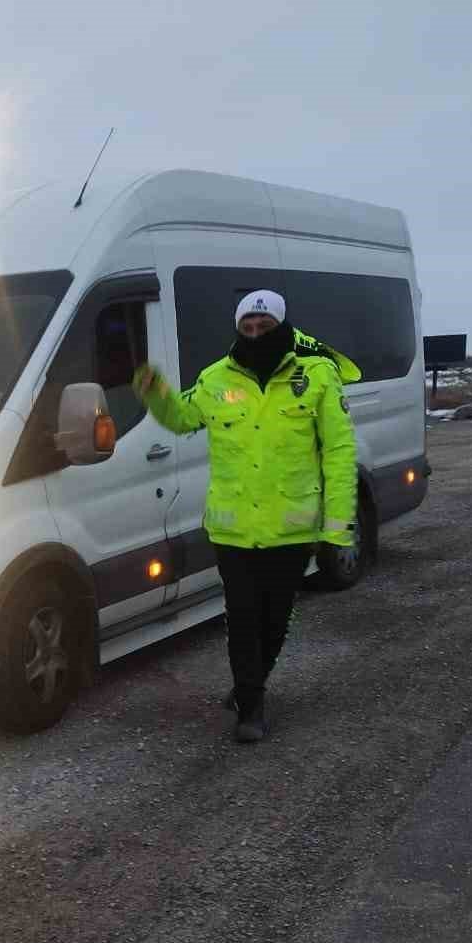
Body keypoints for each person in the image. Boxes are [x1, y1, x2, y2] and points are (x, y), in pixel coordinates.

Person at [133, 289, 357, 743]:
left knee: (275, 620)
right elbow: (182, 418)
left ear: (282, 326)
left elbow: (338, 452)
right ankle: (251, 706)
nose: (255, 333)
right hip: (233, 529)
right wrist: (154, 391)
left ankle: (248, 685)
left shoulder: (316, 375)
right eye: (247, 327)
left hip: (290, 527)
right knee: (242, 617)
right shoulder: (215, 378)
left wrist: (337, 530)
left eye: (264, 326)